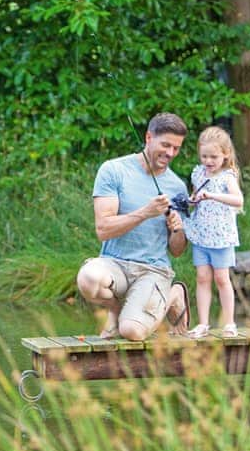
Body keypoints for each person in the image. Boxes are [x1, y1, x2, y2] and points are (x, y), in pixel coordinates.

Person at [76, 112, 191, 341]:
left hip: (153, 270)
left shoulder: (177, 186)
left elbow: (177, 250)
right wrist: (145, 213)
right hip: (114, 264)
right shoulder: (113, 170)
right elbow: (103, 229)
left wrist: (178, 230)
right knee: (88, 278)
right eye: (165, 145)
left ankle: (174, 294)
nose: (170, 153)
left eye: (176, 148)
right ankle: (115, 311)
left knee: (132, 332)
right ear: (148, 137)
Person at [183, 126, 244, 339]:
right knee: (202, 277)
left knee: (221, 278)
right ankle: (203, 323)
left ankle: (229, 323)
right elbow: (196, 194)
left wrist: (213, 195)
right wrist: (193, 199)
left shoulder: (227, 177)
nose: (208, 161)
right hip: (201, 234)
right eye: (204, 156)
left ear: (225, 154)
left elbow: (238, 200)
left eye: (213, 157)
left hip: (221, 237)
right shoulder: (198, 173)